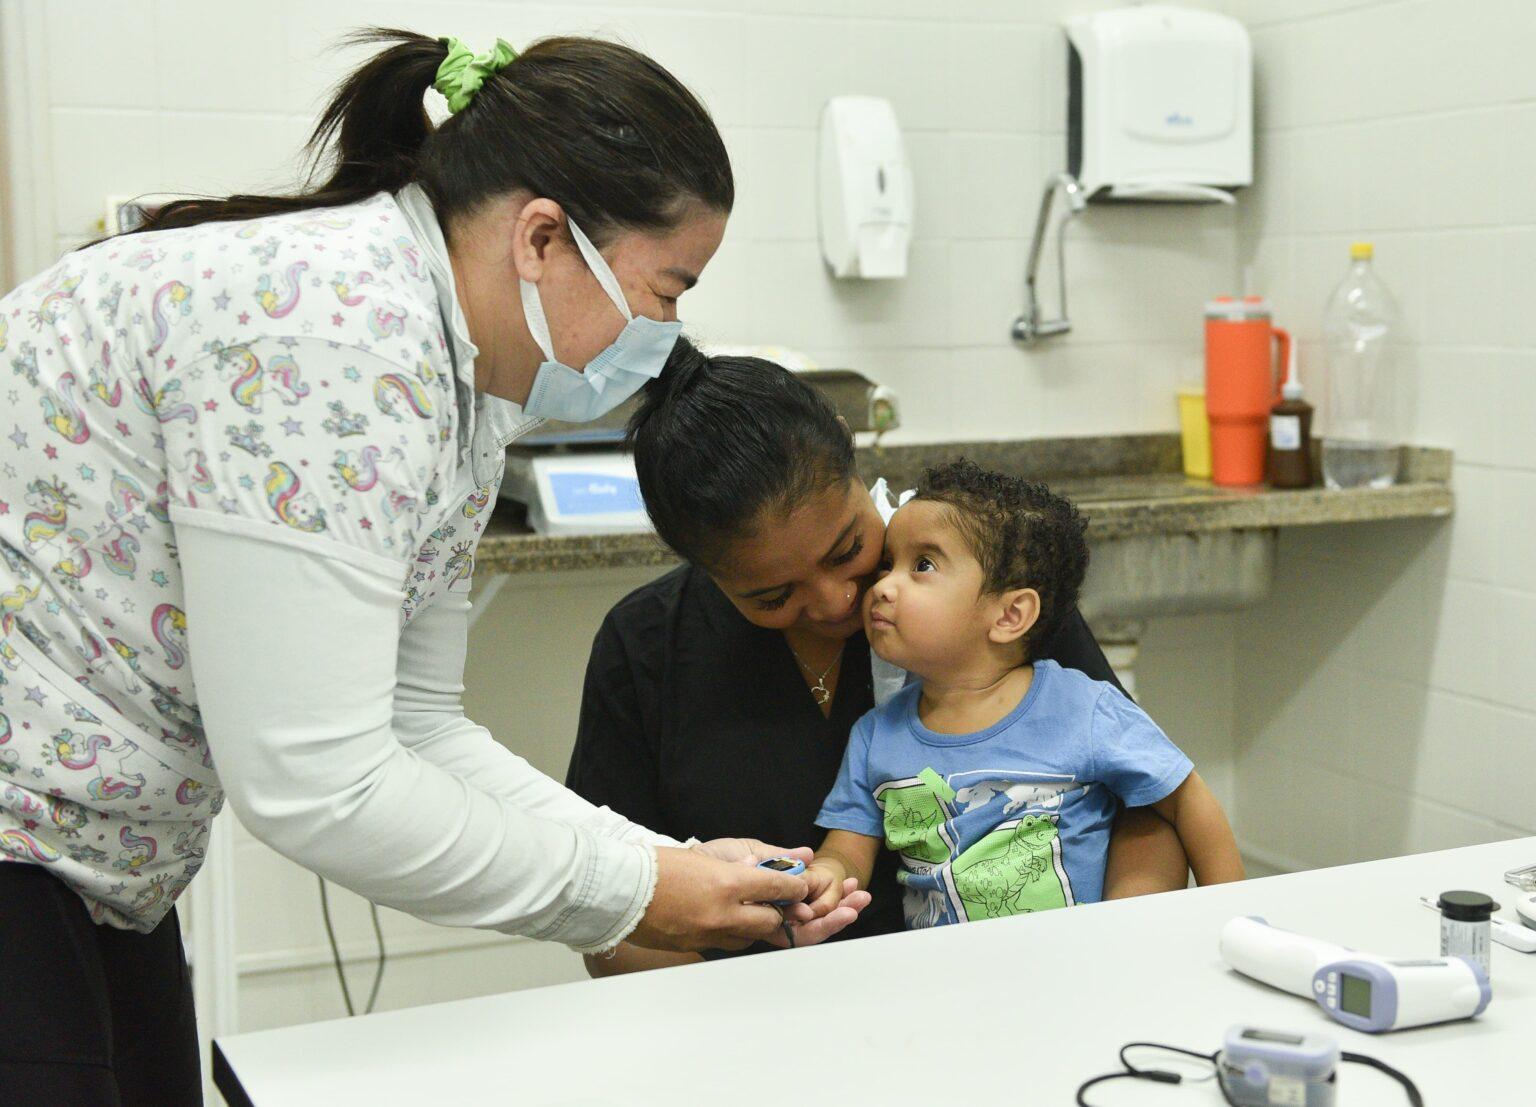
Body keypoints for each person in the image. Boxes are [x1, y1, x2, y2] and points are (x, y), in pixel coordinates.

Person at [0, 32, 864, 1105]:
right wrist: (636, 890)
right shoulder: (340, 332)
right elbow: (316, 783)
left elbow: (416, 724)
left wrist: (676, 866)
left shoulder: (462, 382)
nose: (668, 334)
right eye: (667, 288)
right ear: (543, 237)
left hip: (93, 865)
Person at [567, 344, 1195, 977]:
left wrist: (1108, 951)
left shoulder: (978, 592)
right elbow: (613, 932)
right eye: (773, 597)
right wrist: (730, 963)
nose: (840, 600)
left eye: (847, 551)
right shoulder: (646, 646)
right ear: (703, 568)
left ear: (850, 454)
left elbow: (1146, 805)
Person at [803, 460, 1245, 928]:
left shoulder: (1080, 708)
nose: (884, 585)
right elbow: (847, 848)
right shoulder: (876, 736)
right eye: (889, 563)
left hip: (1074, 972)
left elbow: (1186, 800)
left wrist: (1235, 920)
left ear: (1010, 615)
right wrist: (828, 874)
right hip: (946, 981)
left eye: (924, 565)